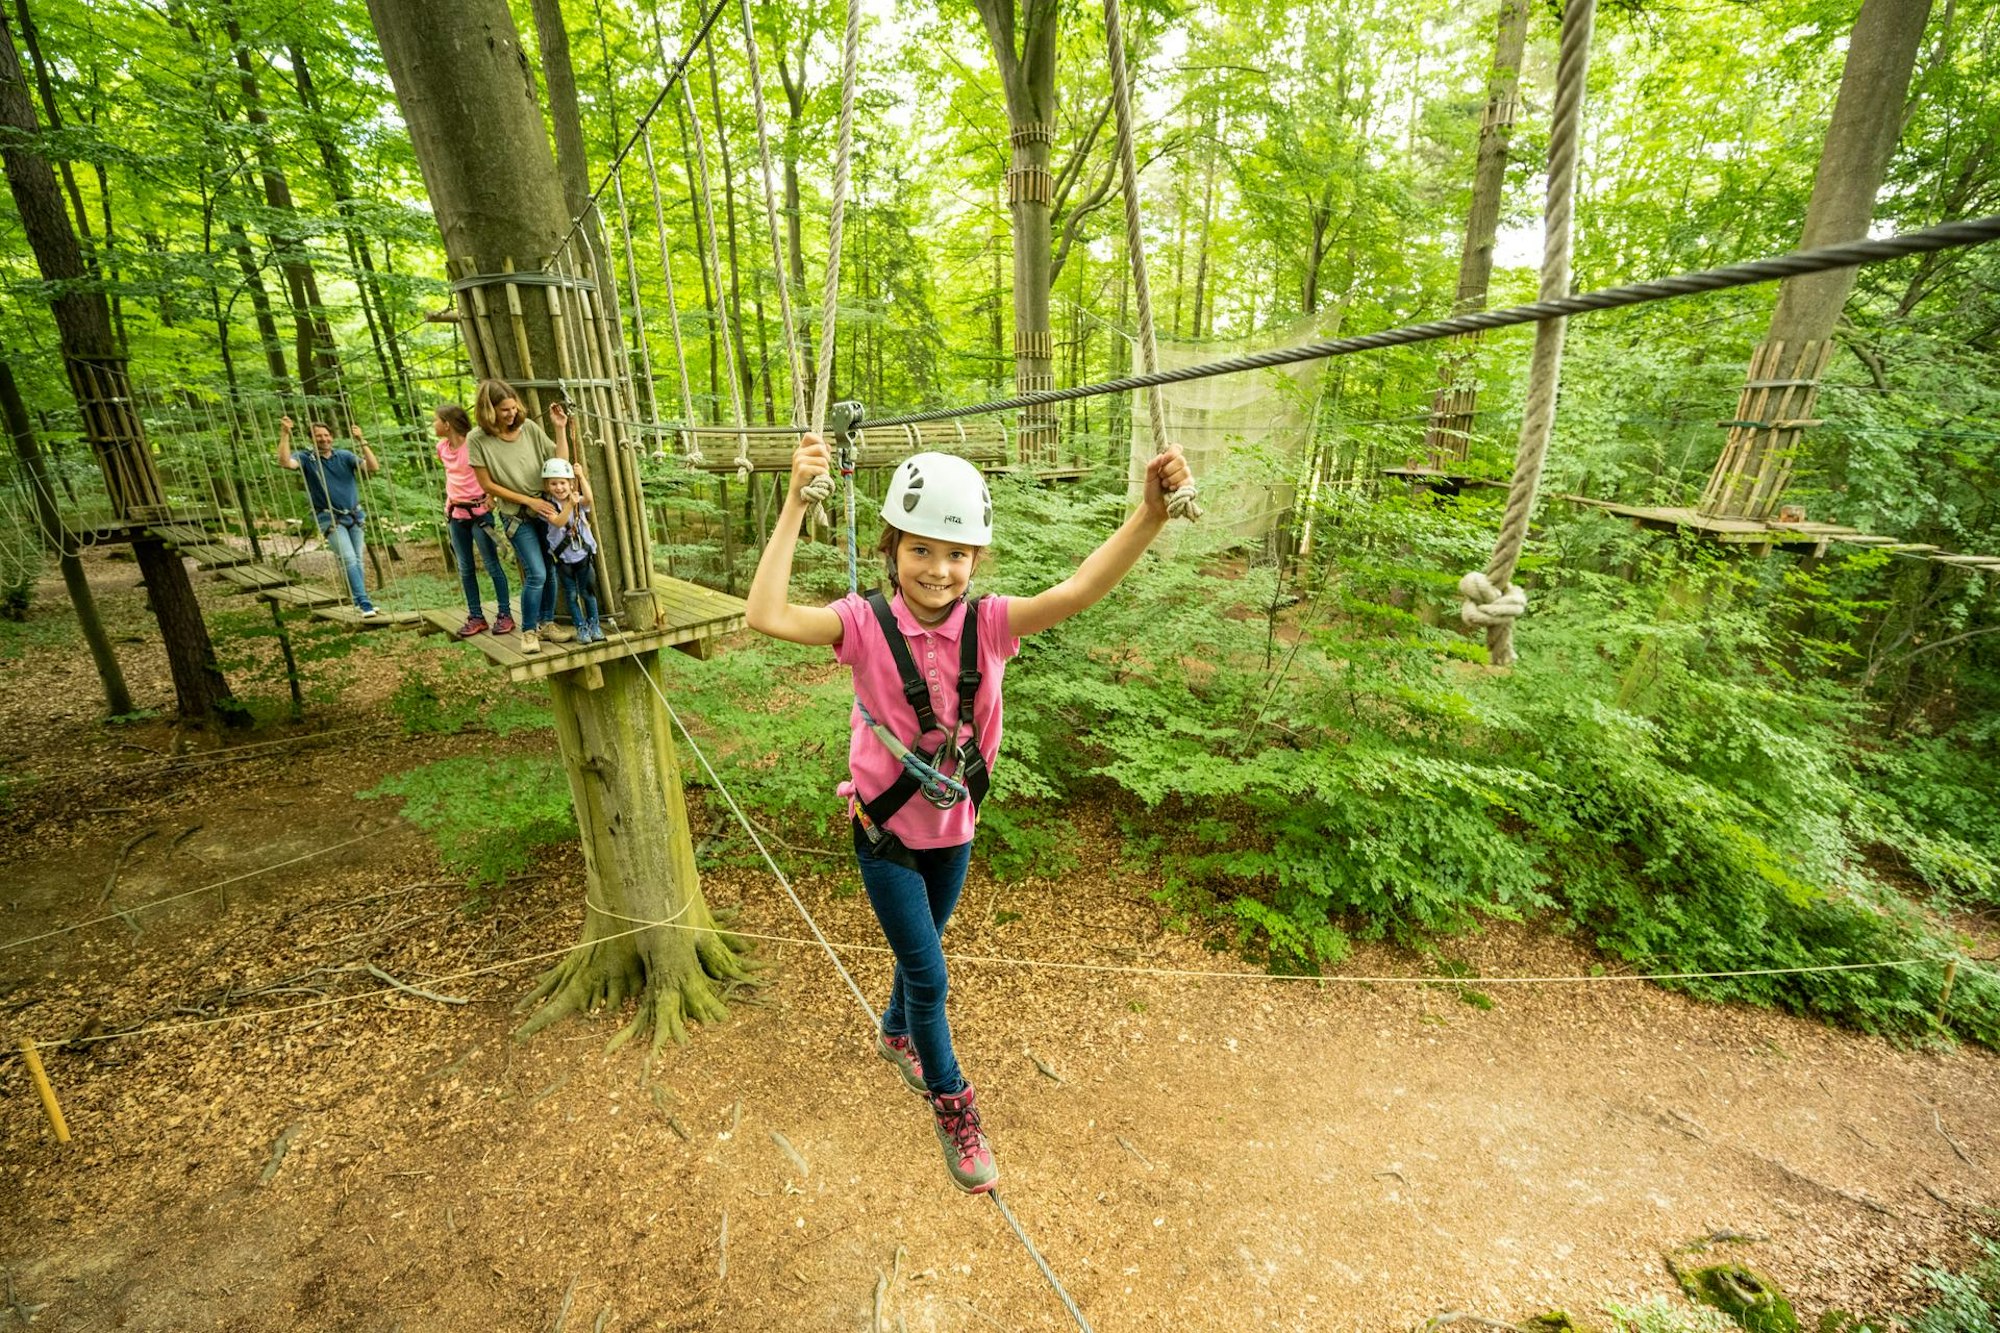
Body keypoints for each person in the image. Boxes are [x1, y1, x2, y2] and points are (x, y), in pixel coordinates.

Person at [745, 437, 1192, 1194]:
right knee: (930, 972)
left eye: (957, 554)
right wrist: (795, 501)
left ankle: (896, 1032)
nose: (938, 569)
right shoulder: (859, 625)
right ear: (893, 547)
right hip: (885, 837)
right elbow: (765, 614)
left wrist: (1148, 514)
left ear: (976, 560)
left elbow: (1079, 589)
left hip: (954, 833)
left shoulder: (989, 627)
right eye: (921, 548)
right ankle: (954, 1103)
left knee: (920, 964)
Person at [465, 378, 573, 655]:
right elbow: (487, 485)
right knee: (536, 572)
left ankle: (546, 624)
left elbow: (559, 463)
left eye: (513, 408)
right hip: (517, 515)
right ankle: (528, 631)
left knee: (550, 570)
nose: (511, 414)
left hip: (546, 511)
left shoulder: (530, 429)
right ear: (489, 410)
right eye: (504, 410)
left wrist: (560, 429)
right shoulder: (477, 439)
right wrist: (528, 501)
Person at [278, 416, 382, 618]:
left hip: (354, 515)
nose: (323, 439)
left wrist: (362, 441)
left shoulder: (344, 456)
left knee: (358, 560)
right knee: (349, 558)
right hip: (329, 519)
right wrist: (284, 435)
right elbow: (284, 462)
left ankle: (358, 601)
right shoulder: (307, 459)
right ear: (312, 439)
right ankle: (365, 603)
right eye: (318, 436)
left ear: (331, 437)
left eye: (326, 435)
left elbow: (372, 467)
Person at [433, 403, 514, 638]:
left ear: (447, 425)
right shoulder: (442, 448)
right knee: (465, 568)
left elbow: (493, 471)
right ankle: (476, 617)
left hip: (479, 514)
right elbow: (453, 476)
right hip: (456, 516)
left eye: (436, 420)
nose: (434, 425)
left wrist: (492, 496)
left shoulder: (474, 444)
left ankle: (505, 614)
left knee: (491, 565)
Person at [540, 458, 603, 644]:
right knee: (571, 595)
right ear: (547, 485)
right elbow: (558, 521)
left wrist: (581, 476)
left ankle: (594, 625)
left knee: (588, 592)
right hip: (563, 559)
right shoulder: (547, 507)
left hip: (583, 555)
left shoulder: (577, 500)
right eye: (554, 483)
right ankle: (581, 627)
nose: (559, 487)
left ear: (570, 484)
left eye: (562, 483)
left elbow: (589, 499)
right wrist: (569, 504)